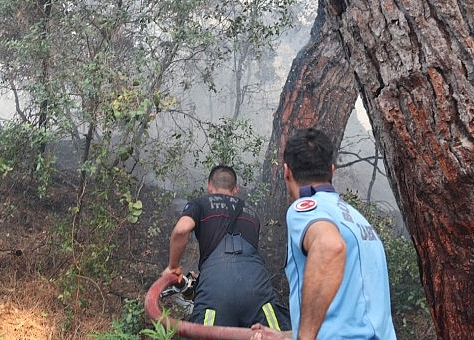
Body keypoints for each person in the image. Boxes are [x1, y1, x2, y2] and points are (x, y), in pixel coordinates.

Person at [251, 127, 396, 340]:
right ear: (332, 170)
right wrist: (286, 337)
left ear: (286, 171)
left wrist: (305, 338)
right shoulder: (355, 219)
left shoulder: (307, 209)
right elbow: (351, 320)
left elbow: (329, 246)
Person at [163, 165, 290, 330]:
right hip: (257, 287)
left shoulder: (200, 204)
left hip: (216, 291)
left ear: (209, 185)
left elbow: (181, 230)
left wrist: (173, 267)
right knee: (273, 334)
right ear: (235, 189)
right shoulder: (251, 212)